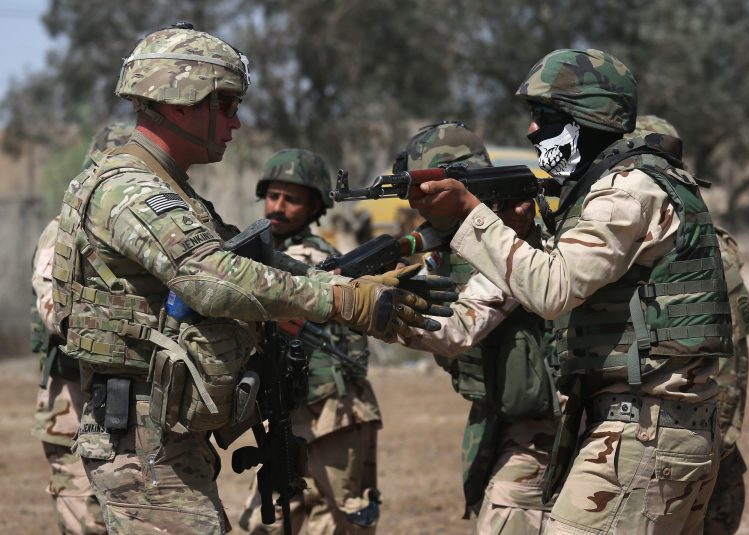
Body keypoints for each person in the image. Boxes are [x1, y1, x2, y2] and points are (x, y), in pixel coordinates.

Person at [50, 23, 448, 535]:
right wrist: (342, 300)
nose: (236, 123)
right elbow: (212, 277)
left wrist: (360, 286)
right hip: (141, 441)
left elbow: (256, 264)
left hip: (164, 432)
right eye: (228, 105)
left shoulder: (172, 190)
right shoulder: (130, 188)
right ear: (180, 102)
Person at [411, 49, 731, 534]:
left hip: (646, 431)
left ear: (588, 119)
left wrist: (469, 215)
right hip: (655, 429)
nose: (531, 131)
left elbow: (552, 290)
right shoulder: (626, 184)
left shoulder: (628, 189)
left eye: (545, 117)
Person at [399, 121, 560, 535]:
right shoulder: (446, 243)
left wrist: (363, 308)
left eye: (429, 192)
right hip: (500, 421)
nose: (420, 205)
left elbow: (455, 331)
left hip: (545, 431)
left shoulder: (517, 242)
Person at [240, 148, 382, 533]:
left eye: (293, 199)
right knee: (268, 520)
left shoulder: (312, 260)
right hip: (291, 412)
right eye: (273, 195)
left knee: (337, 520)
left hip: (334, 411)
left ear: (315, 205)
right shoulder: (264, 256)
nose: (279, 207)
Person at [632, 115, 749, 535]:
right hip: (703, 447)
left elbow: (724, 358)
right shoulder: (705, 240)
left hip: (684, 451)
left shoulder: (686, 248)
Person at [30, 121, 132, 535]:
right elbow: (55, 310)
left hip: (130, 404)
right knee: (86, 523)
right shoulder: (65, 230)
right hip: (74, 406)